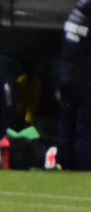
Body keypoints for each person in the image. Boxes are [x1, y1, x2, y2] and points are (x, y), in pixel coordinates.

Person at [58, 0, 91, 171]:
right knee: (85, 130)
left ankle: (64, 164)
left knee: (66, 126)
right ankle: (83, 168)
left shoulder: (75, 15)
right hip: (86, 81)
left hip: (66, 77)